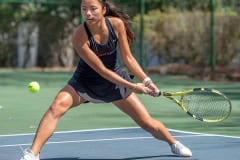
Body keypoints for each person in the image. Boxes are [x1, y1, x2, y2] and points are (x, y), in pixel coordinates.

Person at [20, 0, 192, 159]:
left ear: (103, 9)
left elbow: (128, 58)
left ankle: (173, 143)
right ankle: (32, 154)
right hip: (85, 82)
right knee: (56, 107)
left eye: (93, 9)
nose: (88, 13)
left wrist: (146, 81)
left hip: (114, 82)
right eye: (84, 9)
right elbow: (102, 70)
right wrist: (134, 86)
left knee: (147, 122)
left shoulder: (116, 25)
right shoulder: (79, 35)